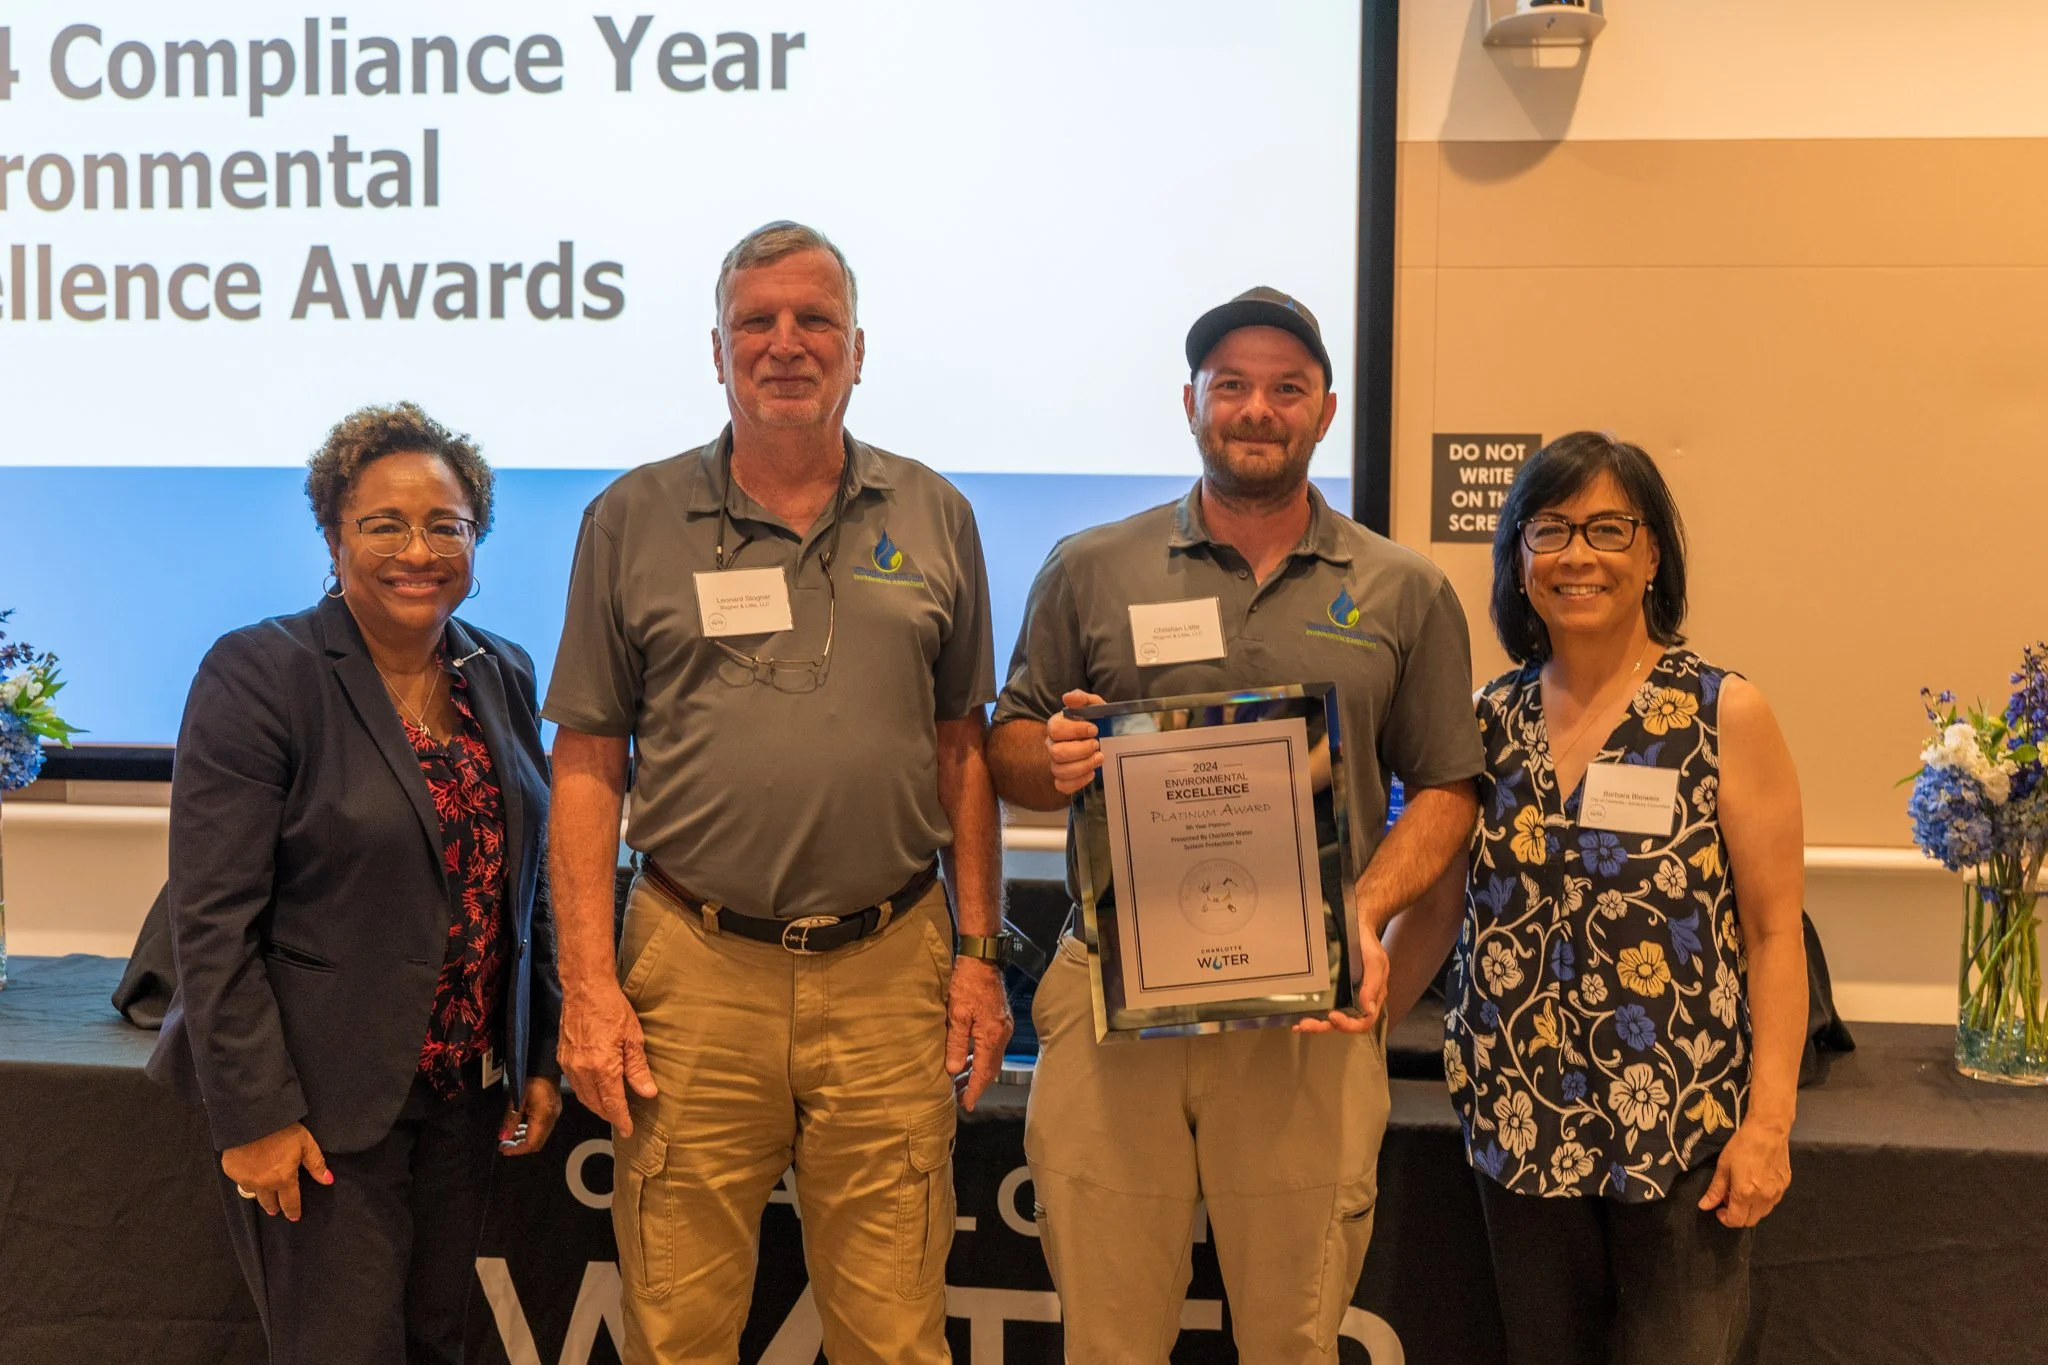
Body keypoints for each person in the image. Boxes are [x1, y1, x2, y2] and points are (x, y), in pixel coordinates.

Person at [543, 221, 1012, 1364]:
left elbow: (964, 751)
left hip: (890, 964)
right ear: (716, 351)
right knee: (675, 1331)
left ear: (858, 351)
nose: (785, 345)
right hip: (691, 973)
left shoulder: (934, 514)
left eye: (815, 322)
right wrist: (589, 984)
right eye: (757, 321)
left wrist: (980, 955)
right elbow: (587, 766)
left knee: (895, 1331)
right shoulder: (630, 520)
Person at [986, 287, 1484, 1364]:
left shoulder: (1402, 588)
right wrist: (1054, 756)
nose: (1256, 409)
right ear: (1191, 403)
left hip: (1300, 1020)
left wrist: (1362, 909)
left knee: (1293, 1337)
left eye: (1284, 390)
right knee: (1108, 1337)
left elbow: (1447, 786)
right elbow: (1009, 748)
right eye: (1232, 387)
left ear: (1323, 410)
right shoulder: (1089, 567)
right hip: (1115, 998)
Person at [148, 402, 562, 1364]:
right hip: (320, 1107)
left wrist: (537, 1052)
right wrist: (256, 1115)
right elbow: (211, 922)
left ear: (476, 539)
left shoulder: (500, 670)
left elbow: (529, 882)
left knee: (437, 1345)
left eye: (446, 525)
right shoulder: (261, 671)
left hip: (463, 1093)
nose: (418, 549)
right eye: (384, 523)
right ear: (333, 536)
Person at [1415, 431, 1807, 1365]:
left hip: (1680, 1135)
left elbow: (1773, 931)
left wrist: (1769, 1126)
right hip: (1518, 1125)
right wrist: (1353, 1032)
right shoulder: (1485, 720)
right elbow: (1435, 911)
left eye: (1607, 528)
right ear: (1519, 558)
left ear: (1652, 553)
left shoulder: (1722, 711)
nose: (1577, 554)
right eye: (1550, 530)